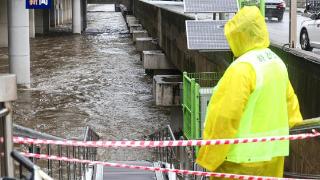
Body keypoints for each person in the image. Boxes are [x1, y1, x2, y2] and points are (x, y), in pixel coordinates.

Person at [196, 6, 303, 179]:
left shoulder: (242, 68)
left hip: (239, 162)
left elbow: (224, 117)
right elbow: (291, 107)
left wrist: (208, 157)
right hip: (274, 157)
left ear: (237, 37)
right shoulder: (277, 62)